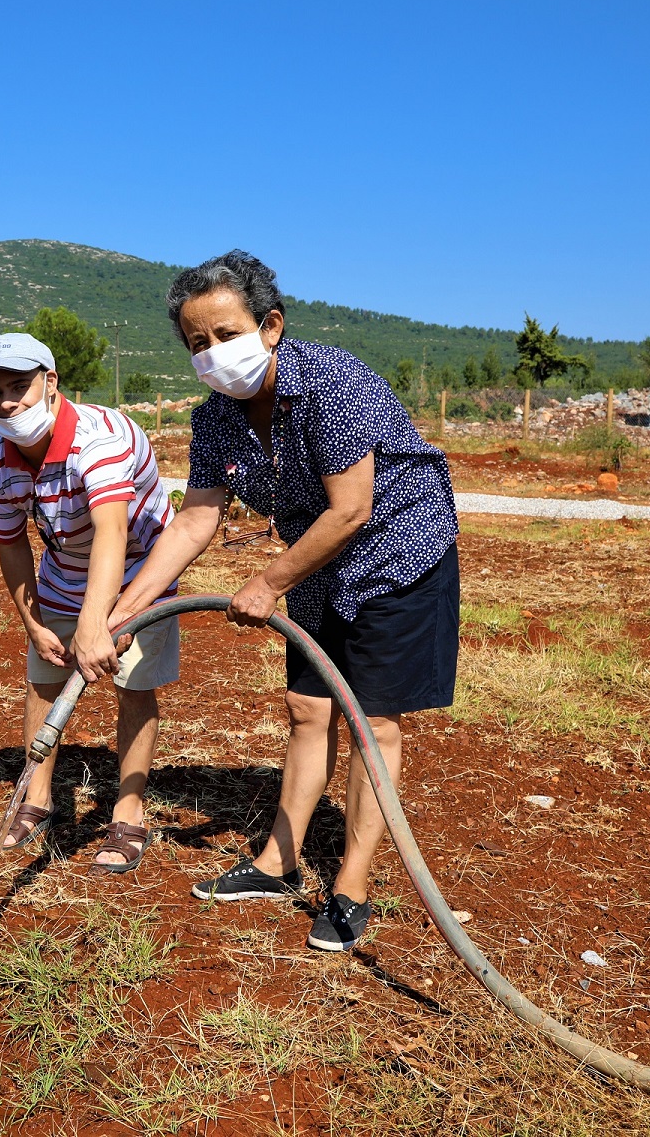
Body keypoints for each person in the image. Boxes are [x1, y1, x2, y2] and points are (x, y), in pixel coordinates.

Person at [109, 251, 460, 951]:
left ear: (270, 325)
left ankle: (353, 883)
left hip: (398, 552)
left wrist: (268, 582)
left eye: (225, 334)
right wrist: (125, 609)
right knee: (307, 707)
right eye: (196, 344)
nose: (212, 354)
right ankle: (279, 860)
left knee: (373, 723)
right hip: (318, 564)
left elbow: (353, 508)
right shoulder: (216, 419)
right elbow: (197, 517)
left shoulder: (335, 381)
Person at [0, 332, 179, 873]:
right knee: (45, 676)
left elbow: (112, 530)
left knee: (131, 681)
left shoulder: (99, 438)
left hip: (137, 570)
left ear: (51, 381)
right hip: (65, 570)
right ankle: (37, 798)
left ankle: (128, 811)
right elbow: (11, 542)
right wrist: (34, 623)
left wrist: (102, 624)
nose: (9, 402)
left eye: (20, 385)